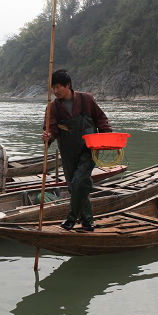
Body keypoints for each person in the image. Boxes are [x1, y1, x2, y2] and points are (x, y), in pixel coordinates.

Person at [42, 69, 112, 231]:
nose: (55, 91)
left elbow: (101, 118)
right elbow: (51, 130)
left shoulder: (86, 99)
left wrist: (107, 136)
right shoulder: (53, 107)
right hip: (68, 152)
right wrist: (48, 137)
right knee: (75, 186)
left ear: (68, 85)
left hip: (89, 149)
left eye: (59, 86)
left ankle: (71, 218)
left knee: (79, 181)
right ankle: (88, 221)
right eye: (53, 87)